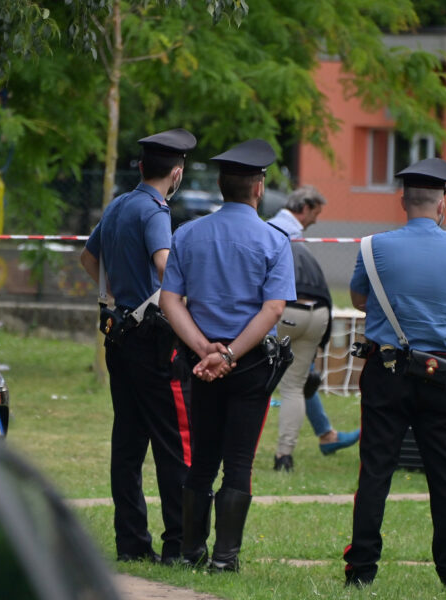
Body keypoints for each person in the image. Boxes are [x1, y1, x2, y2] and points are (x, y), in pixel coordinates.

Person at [343, 157, 446, 590]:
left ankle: (361, 570)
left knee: (376, 471)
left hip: (386, 372)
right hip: (443, 373)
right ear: (443, 203)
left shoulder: (371, 246)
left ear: (403, 201)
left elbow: (361, 300)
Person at [159, 139, 295, 573]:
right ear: (258, 188)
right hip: (250, 365)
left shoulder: (188, 234)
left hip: (200, 366)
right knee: (239, 460)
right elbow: (273, 309)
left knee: (201, 459)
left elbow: (170, 300)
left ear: (221, 185)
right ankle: (224, 559)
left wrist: (204, 350)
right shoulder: (275, 241)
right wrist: (231, 354)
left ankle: (189, 550)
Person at [79, 128, 196, 565]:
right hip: (152, 341)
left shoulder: (117, 205)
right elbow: (166, 264)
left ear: (142, 167)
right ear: (177, 174)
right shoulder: (155, 211)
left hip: (119, 335)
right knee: (171, 442)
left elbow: (88, 259)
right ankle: (178, 544)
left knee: (128, 444)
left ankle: (131, 543)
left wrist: (113, 297)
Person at [267, 186, 360, 472]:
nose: (317, 221)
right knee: (297, 385)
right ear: (304, 207)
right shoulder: (288, 231)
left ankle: (324, 435)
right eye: (316, 213)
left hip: (285, 311)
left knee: (266, 383)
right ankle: (289, 454)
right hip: (319, 312)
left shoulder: (271, 229)